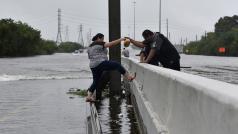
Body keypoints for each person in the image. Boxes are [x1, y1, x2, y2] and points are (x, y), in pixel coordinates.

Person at [86, 33, 136, 102]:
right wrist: (121, 39)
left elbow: (89, 57)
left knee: (96, 81)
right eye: (102, 39)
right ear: (98, 38)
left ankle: (89, 96)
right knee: (117, 65)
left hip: (92, 66)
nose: (103, 40)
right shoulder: (99, 43)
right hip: (100, 63)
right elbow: (111, 44)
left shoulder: (89, 46)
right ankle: (129, 77)